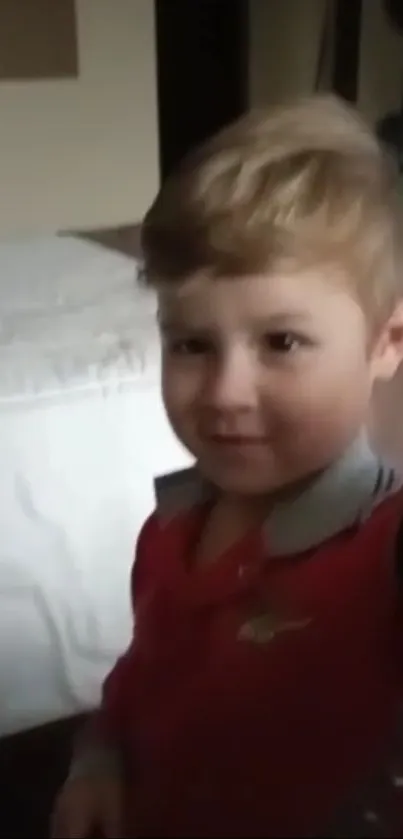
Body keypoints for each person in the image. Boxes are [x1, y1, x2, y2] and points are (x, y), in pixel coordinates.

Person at [51, 94, 403, 838]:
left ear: (387, 342)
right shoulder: (173, 523)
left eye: (280, 342)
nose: (222, 393)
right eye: (191, 344)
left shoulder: (382, 551)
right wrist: (99, 760)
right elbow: (142, 675)